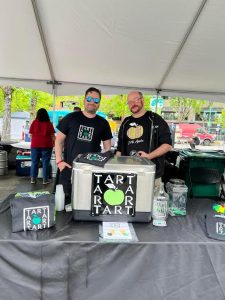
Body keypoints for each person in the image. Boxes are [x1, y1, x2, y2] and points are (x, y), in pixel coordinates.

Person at [55, 87, 112, 199]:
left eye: (96, 100)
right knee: (66, 203)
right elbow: (58, 140)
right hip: (69, 168)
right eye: (89, 99)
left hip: (92, 171)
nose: (92, 102)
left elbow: (107, 148)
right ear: (84, 100)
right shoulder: (70, 118)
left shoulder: (103, 123)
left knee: (88, 201)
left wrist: (102, 166)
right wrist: (59, 161)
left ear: (99, 103)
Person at [116, 91, 172, 184]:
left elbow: (167, 145)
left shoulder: (155, 119)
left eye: (136, 100)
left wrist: (149, 156)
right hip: (128, 175)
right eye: (130, 102)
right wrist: (117, 169)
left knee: (150, 199)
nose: (133, 104)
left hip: (151, 175)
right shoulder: (126, 122)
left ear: (142, 100)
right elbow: (119, 148)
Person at [29, 108, 55, 184]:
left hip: (35, 145)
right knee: (45, 162)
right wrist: (54, 143)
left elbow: (31, 134)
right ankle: (45, 180)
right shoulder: (49, 123)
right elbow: (52, 135)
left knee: (34, 162)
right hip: (47, 145)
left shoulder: (34, 122)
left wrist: (35, 140)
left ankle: (33, 179)